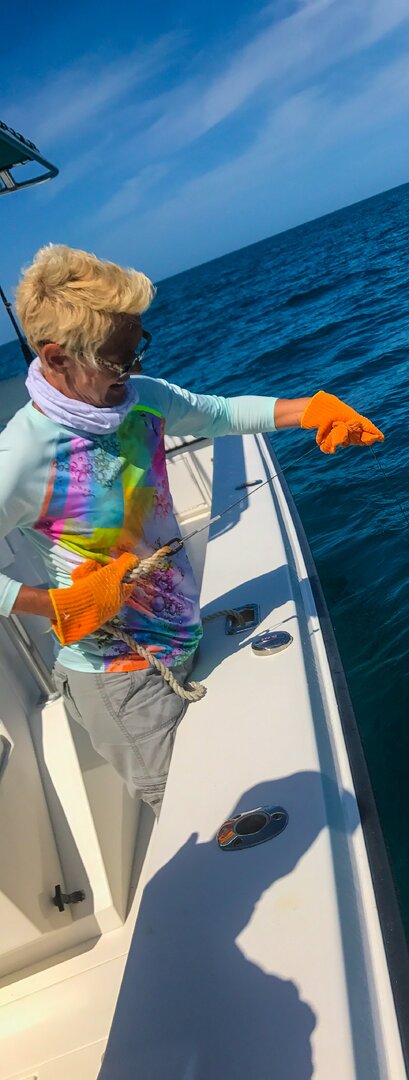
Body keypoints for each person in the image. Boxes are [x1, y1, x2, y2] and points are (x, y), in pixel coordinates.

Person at [0, 243, 383, 813]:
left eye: (138, 349)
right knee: (205, 814)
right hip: (121, 683)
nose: (134, 371)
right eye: (118, 361)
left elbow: (220, 414)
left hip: (182, 641)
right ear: (57, 359)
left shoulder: (141, 401)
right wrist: (53, 605)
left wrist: (311, 408)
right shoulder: (22, 454)